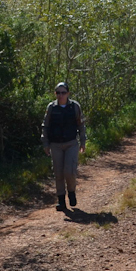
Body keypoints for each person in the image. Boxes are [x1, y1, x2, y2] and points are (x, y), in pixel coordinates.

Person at [41, 82, 86, 211]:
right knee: (58, 173)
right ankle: (61, 201)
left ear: (68, 93)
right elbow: (45, 126)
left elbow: (81, 125)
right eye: (58, 93)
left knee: (69, 171)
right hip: (55, 144)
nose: (61, 95)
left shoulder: (75, 106)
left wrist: (83, 142)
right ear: (55, 94)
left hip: (71, 143)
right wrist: (45, 143)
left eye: (63, 92)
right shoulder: (51, 107)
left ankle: (71, 192)